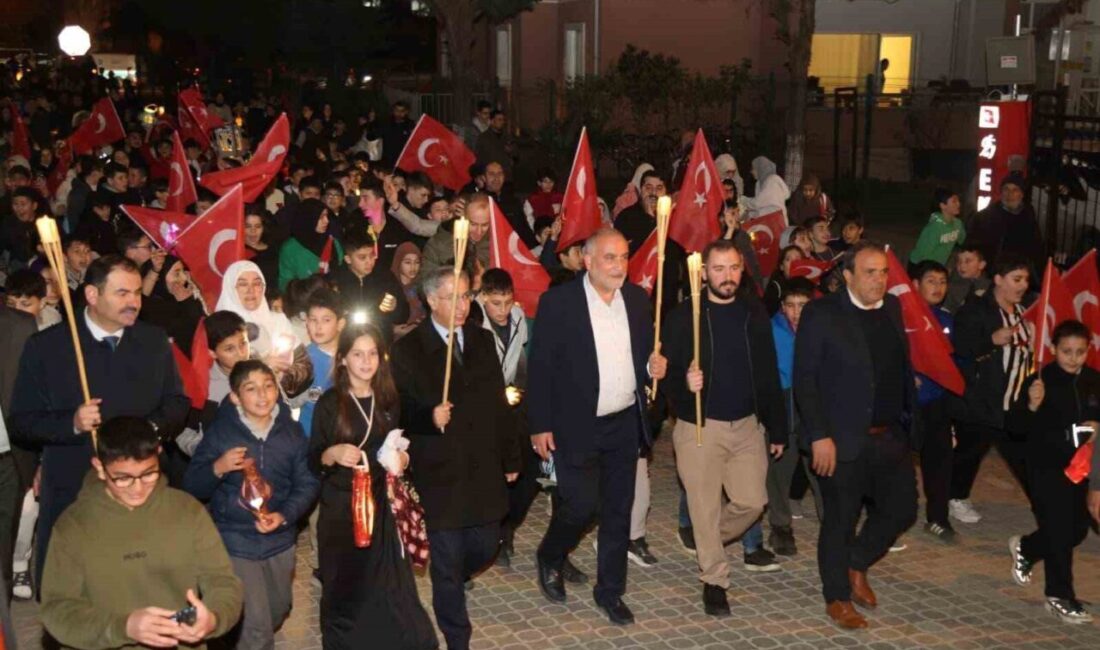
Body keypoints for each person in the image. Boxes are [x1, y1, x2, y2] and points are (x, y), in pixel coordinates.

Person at [10, 255, 191, 591]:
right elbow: (21, 422)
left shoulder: (153, 341)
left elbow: (178, 403)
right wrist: (72, 422)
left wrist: (149, 431)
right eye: (122, 293)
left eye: (137, 293)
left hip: (142, 489)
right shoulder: (48, 347)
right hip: (74, 489)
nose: (134, 302)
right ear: (92, 295)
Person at [528, 228, 667, 625]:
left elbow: (644, 357)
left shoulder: (638, 301)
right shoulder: (559, 303)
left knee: (618, 511)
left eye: (624, 257)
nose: (619, 266)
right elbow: (540, 368)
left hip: (624, 423)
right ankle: (551, 554)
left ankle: (610, 591)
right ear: (587, 261)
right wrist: (540, 424)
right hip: (576, 424)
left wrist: (656, 367)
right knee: (580, 505)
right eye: (610, 257)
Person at [390, 266, 520, 650]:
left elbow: (500, 403)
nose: (462, 306)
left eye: (466, 296)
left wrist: (511, 456)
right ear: (431, 300)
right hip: (439, 472)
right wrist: (428, 417)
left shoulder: (480, 341)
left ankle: (459, 574)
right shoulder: (408, 349)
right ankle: (457, 637)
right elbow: (398, 411)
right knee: (446, 564)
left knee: (484, 546)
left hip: (481, 467)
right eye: (452, 297)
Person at [794, 241, 918, 630]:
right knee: (840, 519)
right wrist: (818, 435)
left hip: (889, 436)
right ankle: (837, 597)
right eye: (869, 272)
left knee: (903, 509)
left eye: (883, 272)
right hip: (839, 440)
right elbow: (805, 379)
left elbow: (897, 367)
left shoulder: (894, 309)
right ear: (847, 276)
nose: (879, 280)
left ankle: (856, 562)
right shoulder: (821, 313)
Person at [39, 416, 243, 649]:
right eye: (123, 478)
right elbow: (57, 611)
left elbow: (223, 583)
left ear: (158, 454)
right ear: (99, 467)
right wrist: (123, 627)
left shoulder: (187, 511)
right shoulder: (73, 526)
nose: (138, 488)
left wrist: (214, 618)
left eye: (148, 474)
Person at [661, 239, 785, 616]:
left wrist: (777, 427)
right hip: (700, 426)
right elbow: (664, 375)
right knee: (703, 507)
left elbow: (767, 372)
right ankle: (714, 579)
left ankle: (706, 543)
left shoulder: (754, 312)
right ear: (703, 273)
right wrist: (684, 382)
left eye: (733, 268)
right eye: (718, 269)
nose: (727, 276)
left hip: (747, 426)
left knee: (752, 501)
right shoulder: (685, 315)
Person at [309, 324, 438, 649]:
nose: (365, 361)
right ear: (342, 360)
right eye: (357, 354)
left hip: (382, 504)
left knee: (389, 584)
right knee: (345, 584)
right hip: (341, 509)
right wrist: (333, 452)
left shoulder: (389, 400)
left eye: (372, 354)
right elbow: (312, 459)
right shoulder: (329, 403)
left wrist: (402, 460)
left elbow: (403, 447)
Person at [183, 360, 320, 650]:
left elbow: (307, 483)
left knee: (278, 609)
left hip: (280, 538)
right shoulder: (222, 433)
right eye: (251, 389)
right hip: (236, 541)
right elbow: (193, 484)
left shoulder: (291, 433)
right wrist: (218, 467)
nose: (262, 395)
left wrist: (284, 515)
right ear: (235, 397)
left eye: (268, 386)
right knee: (255, 629)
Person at [1007, 320, 1099, 624]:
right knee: (1060, 531)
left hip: (1080, 467)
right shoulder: (1039, 380)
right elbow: (1015, 428)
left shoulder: (1094, 380)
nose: (1073, 358)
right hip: (1045, 466)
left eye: (1080, 352)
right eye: (1066, 351)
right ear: (1053, 350)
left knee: (1076, 530)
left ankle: (1028, 547)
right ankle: (1059, 596)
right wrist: (1032, 406)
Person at [951, 256, 1033, 523]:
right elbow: (961, 349)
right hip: (982, 399)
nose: (1022, 286)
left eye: (1025, 280)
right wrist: (991, 341)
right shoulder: (976, 310)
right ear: (998, 279)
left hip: (1015, 401)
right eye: (1016, 279)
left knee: (1026, 457)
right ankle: (956, 497)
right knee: (970, 452)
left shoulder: (1027, 312)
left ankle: (1045, 503)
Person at [477, 269, 539, 569]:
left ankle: (508, 526)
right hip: (485, 408)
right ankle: (496, 535)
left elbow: (522, 359)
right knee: (494, 475)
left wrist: (520, 390)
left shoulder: (518, 319)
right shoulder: (473, 322)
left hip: (514, 404)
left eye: (507, 302)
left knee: (525, 473)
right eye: (495, 303)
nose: (502, 310)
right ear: (483, 298)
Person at [909, 261, 959, 542]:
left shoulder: (947, 319)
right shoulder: (902, 316)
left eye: (942, 281)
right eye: (931, 281)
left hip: (937, 403)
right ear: (915, 284)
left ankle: (938, 518)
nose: (938, 287)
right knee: (898, 463)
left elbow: (954, 361)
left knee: (939, 462)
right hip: (907, 405)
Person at [215, 260, 314, 399]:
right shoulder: (219, 329)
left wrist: (279, 375)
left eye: (256, 283)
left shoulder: (278, 321)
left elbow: (305, 368)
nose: (251, 290)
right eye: (243, 284)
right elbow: (224, 376)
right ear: (231, 288)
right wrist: (263, 367)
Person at [0, 302, 36, 599]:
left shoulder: (20, 325)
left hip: (8, 456)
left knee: (4, 545)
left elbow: (36, 394)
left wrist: (41, 456)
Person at [331, 228, 408, 342]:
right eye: (362, 257)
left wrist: (395, 307)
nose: (369, 261)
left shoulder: (384, 276)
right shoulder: (336, 280)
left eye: (372, 255)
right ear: (348, 259)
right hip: (347, 340)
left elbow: (404, 314)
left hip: (380, 340)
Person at [967, 174, 1043, 276]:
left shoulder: (1028, 217)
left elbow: (1036, 249)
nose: (1009, 194)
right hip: (994, 273)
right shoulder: (985, 217)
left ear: (1021, 194)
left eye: (1015, 190)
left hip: (1021, 272)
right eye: (1006, 189)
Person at [138, 255, 205, 349]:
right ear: (160, 278)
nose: (184, 278)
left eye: (183, 272)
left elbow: (204, 331)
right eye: (177, 273)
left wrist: (189, 303)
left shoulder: (187, 298)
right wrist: (188, 304)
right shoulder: (149, 309)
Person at [278, 199, 344, 291]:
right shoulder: (290, 249)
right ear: (308, 218)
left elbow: (342, 274)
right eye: (321, 217)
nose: (326, 221)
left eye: (326, 216)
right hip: (302, 300)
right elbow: (285, 284)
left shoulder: (332, 242)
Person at [421, 194, 492, 279]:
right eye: (473, 224)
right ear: (463, 217)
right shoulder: (438, 244)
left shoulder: (496, 245)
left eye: (485, 225)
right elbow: (425, 282)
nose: (479, 231)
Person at [909, 188, 966, 270]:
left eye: (958, 201)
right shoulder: (934, 228)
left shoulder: (958, 224)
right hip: (919, 266)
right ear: (943, 206)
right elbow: (924, 255)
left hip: (936, 267)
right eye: (954, 201)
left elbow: (963, 242)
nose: (958, 204)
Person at [391, 242, 425, 339]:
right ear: (398, 262)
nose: (413, 267)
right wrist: (392, 329)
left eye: (417, 262)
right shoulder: (390, 286)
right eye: (408, 262)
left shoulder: (422, 285)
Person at [943, 244, 990, 313]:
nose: (962, 265)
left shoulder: (989, 287)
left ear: (981, 265)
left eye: (968, 261)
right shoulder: (951, 285)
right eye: (959, 261)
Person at [762, 245, 806, 316]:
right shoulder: (775, 287)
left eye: (797, 260)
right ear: (782, 266)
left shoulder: (810, 284)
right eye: (788, 259)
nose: (793, 263)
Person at [742, 156, 790, 220]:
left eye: (753, 169)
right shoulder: (760, 182)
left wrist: (743, 200)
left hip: (776, 221)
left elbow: (758, 203)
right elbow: (760, 207)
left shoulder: (772, 181)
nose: (751, 172)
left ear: (760, 168)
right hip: (768, 220)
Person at [475, 111, 515, 177]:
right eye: (499, 120)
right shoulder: (483, 138)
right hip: (491, 176)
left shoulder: (508, 137)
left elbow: (516, 154)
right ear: (492, 121)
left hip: (506, 176)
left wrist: (511, 150)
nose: (502, 122)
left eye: (503, 120)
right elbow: (478, 159)